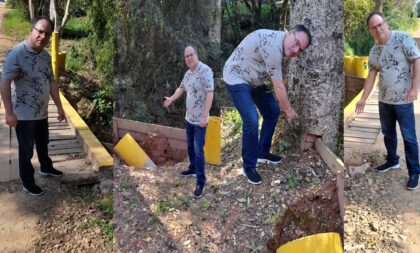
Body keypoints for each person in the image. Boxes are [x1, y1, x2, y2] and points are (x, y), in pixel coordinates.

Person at [223, 25, 311, 185]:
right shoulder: (273, 47)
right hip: (236, 77)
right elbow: (278, 86)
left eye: (300, 50)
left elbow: (281, 81)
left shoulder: (285, 49)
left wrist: (281, 104)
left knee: (272, 111)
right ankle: (248, 167)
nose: (296, 50)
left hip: (254, 80)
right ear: (289, 32)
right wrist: (289, 111)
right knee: (251, 119)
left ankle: (262, 152)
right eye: (296, 43)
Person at [0, 16, 66, 196]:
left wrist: (59, 107)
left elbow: (51, 81)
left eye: (47, 34)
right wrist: (9, 112)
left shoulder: (45, 55)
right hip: (24, 114)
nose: (43, 36)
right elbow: (4, 83)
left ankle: (46, 167)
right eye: (40, 31)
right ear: (32, 30)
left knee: (43, 144)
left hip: (42, 112)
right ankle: (27, 182)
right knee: (26, 151)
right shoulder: (16, 53)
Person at [355, 12, 420, 190]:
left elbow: (416, 59)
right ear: (370, 31)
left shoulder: (402, 38)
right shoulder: (374, 50)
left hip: (404, 100)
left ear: (386, 23)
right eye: (374, 27)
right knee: (388, 133)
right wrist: (363, 99)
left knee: (409, 137)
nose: (378, 29)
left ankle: (414, 172)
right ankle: (392, 161)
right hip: (384, 101)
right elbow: (371, 74)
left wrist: (415, 87)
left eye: (380, 24)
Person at [163, 46, 214, 198]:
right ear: (185, 60)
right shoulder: (188, 74)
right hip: (189, 118)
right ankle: (192, 168)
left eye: (191, 55)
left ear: (196, 55)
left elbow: (210, 93)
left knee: (199, 150)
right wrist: (171, 99)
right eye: (186, 56)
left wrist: (205, 116)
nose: (189, 58)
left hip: (200, 120)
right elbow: (181, 89)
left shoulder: (205, 71)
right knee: (190, 146)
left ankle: (200, 181)